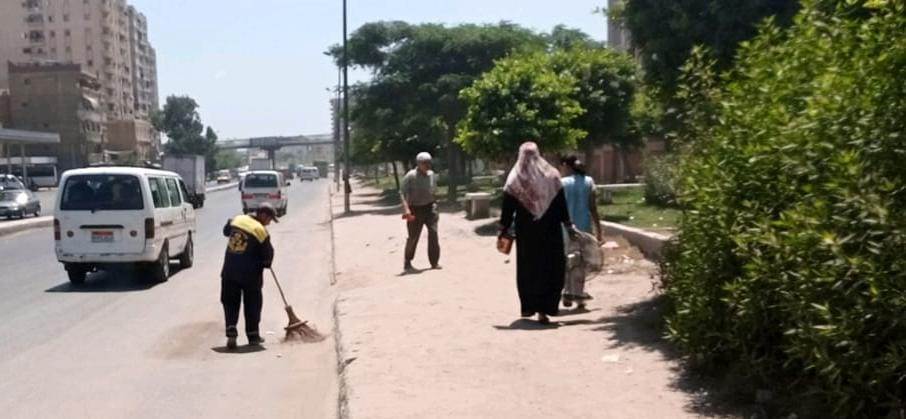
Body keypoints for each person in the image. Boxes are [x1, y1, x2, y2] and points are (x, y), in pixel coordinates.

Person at [499, 142, 574, 324]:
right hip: (551, 230)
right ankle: (546, 308)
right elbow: (561, 203)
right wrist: (568, 224)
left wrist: (503, 228)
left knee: (529, 269)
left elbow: (508, 207)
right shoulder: (552, 175)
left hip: (527, 232)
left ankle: (530, 307)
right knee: (551, 266)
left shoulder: (515, 178)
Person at [220, 202, 278, 349]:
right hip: (250, 276)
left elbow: (226, 231)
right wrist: (266, 263)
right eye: (269, 219)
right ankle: (253, 335)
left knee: (230, 302)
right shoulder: (260, 231)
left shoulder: (237, 219)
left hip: (229, 271)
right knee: (253, 304)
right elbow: (268, 254)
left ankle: (231, 330)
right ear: (263, 215)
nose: (269, 223)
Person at [559, 156, 602, 309]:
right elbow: (593, 208)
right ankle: (579, 295)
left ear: (567, 167)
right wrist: (599, 230)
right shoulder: (589, 182)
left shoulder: (562, 183)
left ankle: (566, 292)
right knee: (581, 261)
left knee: (567, 259)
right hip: (584, 228)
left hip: (565, 228)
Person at [401, 152, 440, 272]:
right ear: (418, 164)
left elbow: (433, 190)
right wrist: (406, 210)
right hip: (415, 209)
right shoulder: (411, 176)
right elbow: (402, 193)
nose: (427, 165)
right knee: (413, 237)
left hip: (430, 208)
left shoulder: (431, 174)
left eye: (429, 162)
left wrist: (435, 202)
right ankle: (408, 261)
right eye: (424, 163)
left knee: (433, 234)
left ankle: (434, 262)